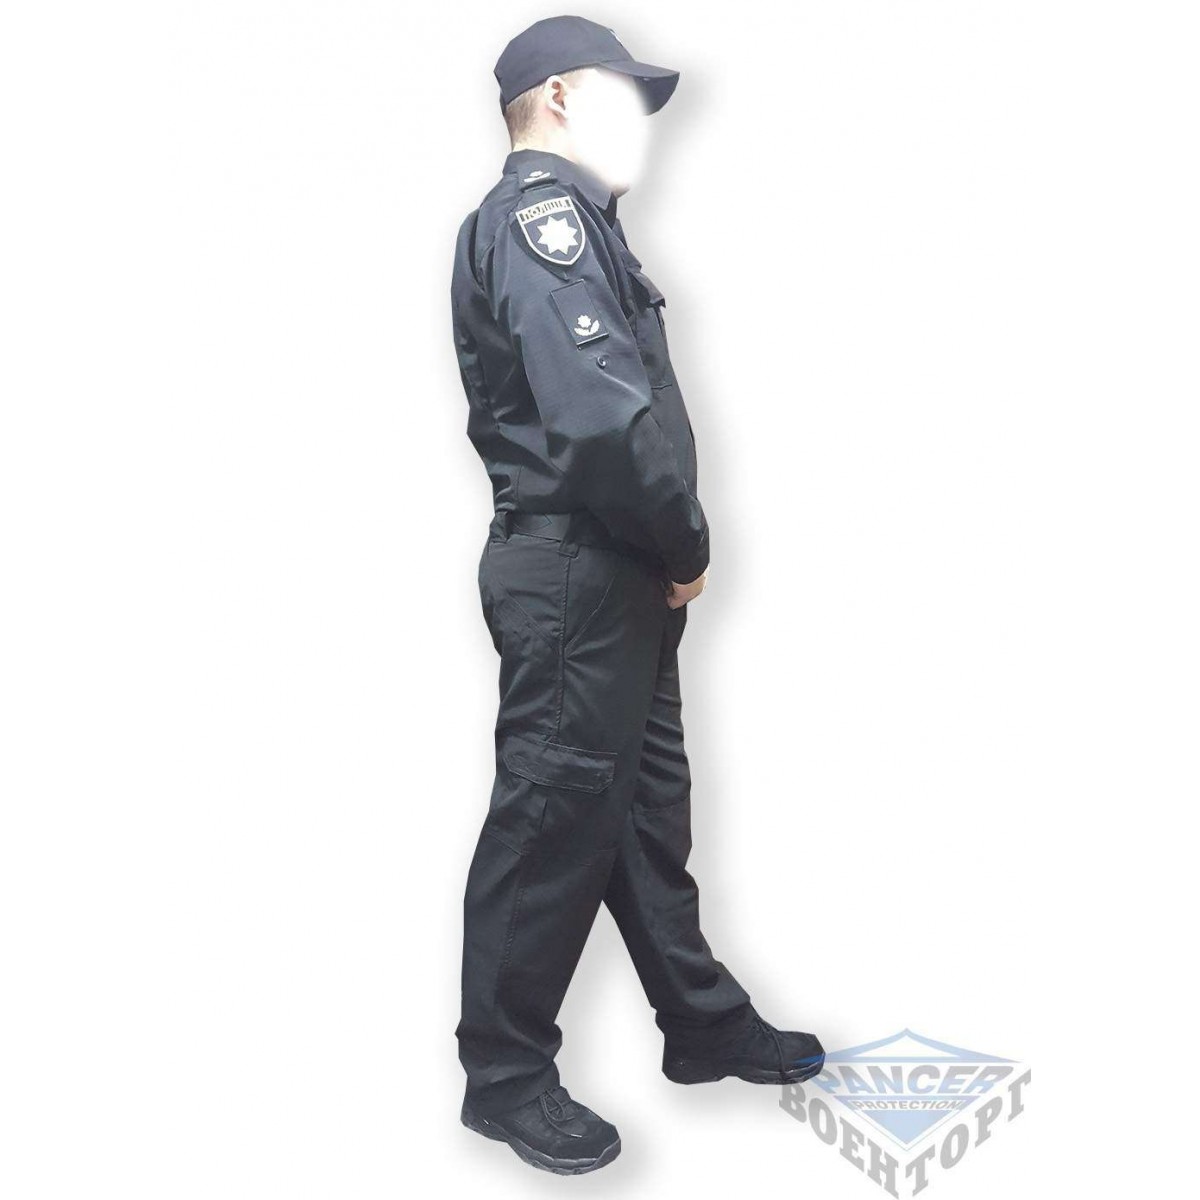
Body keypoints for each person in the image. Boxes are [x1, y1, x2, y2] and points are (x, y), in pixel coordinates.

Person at [448, 15, 824, 1174]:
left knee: (640, 810)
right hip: (584, 570)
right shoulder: (541, 224)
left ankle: (699, 1023)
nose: (647, 127)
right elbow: (605, 424)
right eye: (623, 97)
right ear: (560, 97)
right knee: (552, 816)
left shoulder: (583, 225)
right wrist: (685, 541)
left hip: (612, 574)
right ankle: (506, 1077)